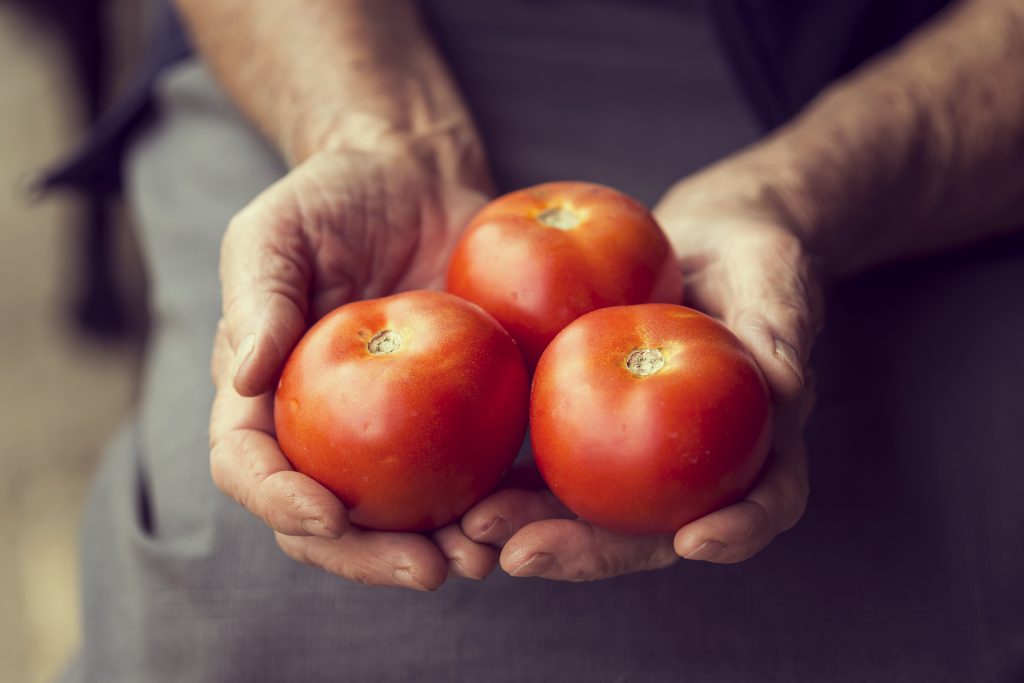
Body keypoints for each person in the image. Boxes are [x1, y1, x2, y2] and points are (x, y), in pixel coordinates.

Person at [60, 0, 1024, 680]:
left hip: (895, 61)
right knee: (215, 603)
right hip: (354, 37)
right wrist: (371, 132)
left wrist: (793, 196)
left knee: (973, 571)